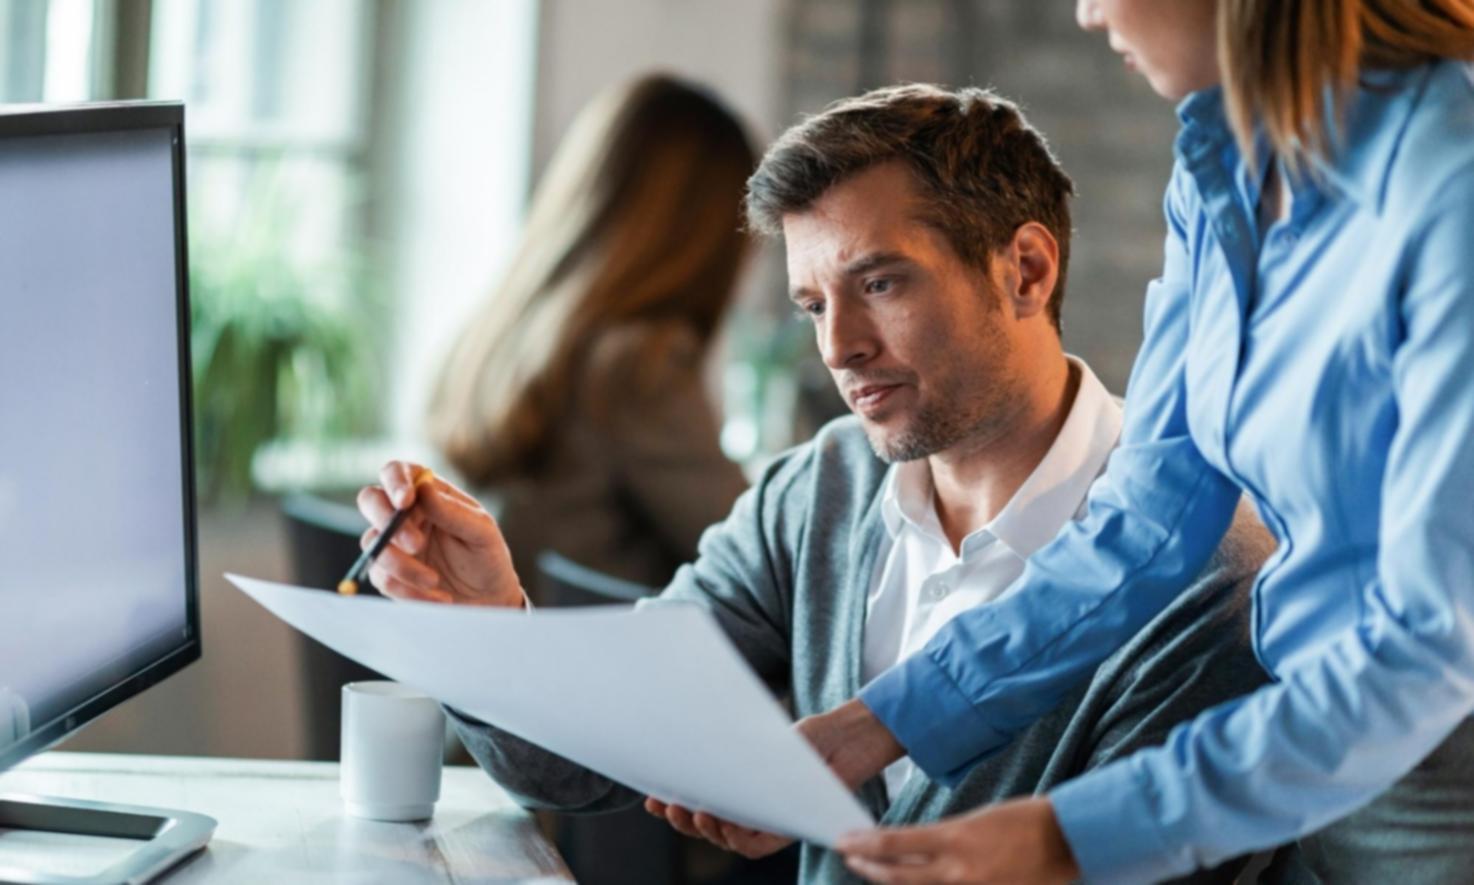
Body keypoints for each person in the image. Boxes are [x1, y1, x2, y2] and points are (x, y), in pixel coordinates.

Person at [358, 83, 1274, 883]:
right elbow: (588, 764)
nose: (838, 348)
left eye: (878, 284)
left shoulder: (1207, 587)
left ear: (1025, 270)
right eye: (813, 305)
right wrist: (488, 634)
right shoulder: (821, 489)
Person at [811, 2, 1474, 883]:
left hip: (1440, 779)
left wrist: (1072, 834)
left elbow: (1433, 643)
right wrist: (870, 726)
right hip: (1308, 767)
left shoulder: (1451, 177)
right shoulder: (1223, 171)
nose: (1086, 12)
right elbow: (1147, 521)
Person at [426, 73, 752, 598]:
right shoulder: (636, 363)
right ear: (704, 235)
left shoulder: (501, 331)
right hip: (592, 666)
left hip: (504, 654)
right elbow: (760, 553)